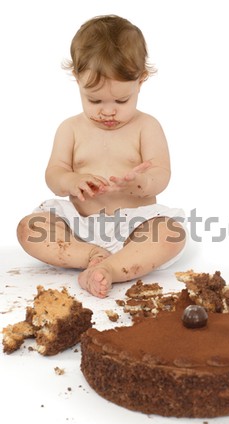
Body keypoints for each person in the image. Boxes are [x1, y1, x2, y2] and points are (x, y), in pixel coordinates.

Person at [17, 15, 186, 298]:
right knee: (29, 229)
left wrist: (139, 183)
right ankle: (90, 255)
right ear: (77, 79)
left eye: (121, 101)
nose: (108, 111)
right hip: (78, 224)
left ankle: (110, 269)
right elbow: (54, 175)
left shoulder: (147, 127)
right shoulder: (70, 129)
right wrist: (72, 180)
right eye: (94, 100)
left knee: (171, 233)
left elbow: (162, 175)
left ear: (140, 81)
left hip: (135, 225)